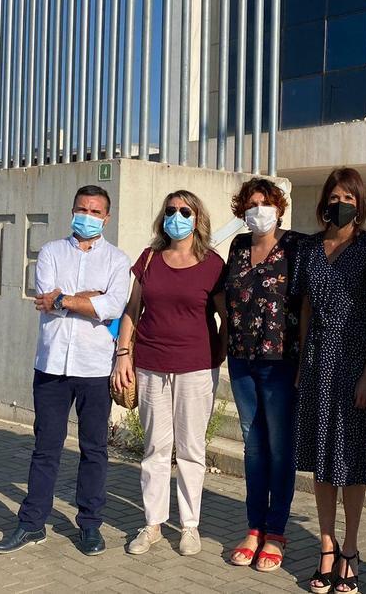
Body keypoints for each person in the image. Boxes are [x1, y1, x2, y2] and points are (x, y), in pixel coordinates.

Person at [0, 185, 131, 557]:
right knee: (46, 448)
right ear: (72, 210)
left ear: (107, 217)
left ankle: (90, 525)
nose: (88, 215)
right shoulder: (51, 252)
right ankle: (31, 524)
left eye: (96, 211)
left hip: (95, 368)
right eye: (82, 208)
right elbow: (44, 299)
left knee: (94, 450)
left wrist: (66, 299)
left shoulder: (117, 260)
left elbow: (113, 306)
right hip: (51, 366)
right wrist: (90, 299)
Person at [292, 167, 366, 594]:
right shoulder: (310, 248)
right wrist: (300, 364)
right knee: (320, 458)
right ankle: (326, 546)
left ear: (360, 202)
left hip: (353, 357)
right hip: (316, 360)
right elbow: (307, 309)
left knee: (350, 460)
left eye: (349, 197)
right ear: (324, 201)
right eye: (335, 196)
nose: (341, 203)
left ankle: (350, 548)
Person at [113, 190, 227, 557]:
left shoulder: (213, 264)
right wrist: (123, 354)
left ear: (197, 218)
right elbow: (133, 309)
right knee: (155, 449)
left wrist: (217, 357)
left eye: (184, 211)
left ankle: (190, 526)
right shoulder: (149, 259)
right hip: (149, 365)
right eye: (170, 210)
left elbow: (226, 317)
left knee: (191, 450)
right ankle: (153, 524)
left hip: (196, 368)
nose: (176, 216)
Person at [218, 178, 305, 573]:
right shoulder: (238, 247)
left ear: (279, 207)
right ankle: (254, 528)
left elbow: (307, 304)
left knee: (280, 448)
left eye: (265, 203)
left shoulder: (297, 247)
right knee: (253, 446)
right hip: (242, 359)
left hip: (281, 361)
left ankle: (277, 531)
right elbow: (223, 294)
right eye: (251, 204)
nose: (258, 210)